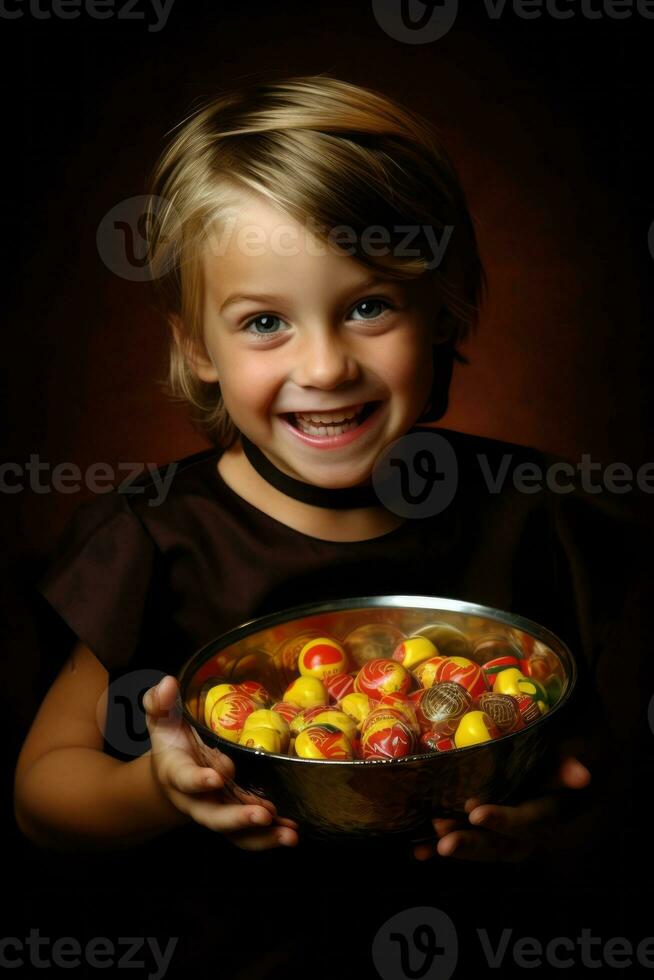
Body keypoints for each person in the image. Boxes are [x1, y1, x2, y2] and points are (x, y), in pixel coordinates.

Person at [12, 73, 649, 974]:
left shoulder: (535, 513)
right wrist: (159, 786)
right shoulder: (154, 537)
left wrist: (554, 812)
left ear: (444, 304)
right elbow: (42, 799)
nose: (324, 365)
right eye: (265, 321)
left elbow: (596, 765)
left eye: (368, 305)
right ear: (198, 347)